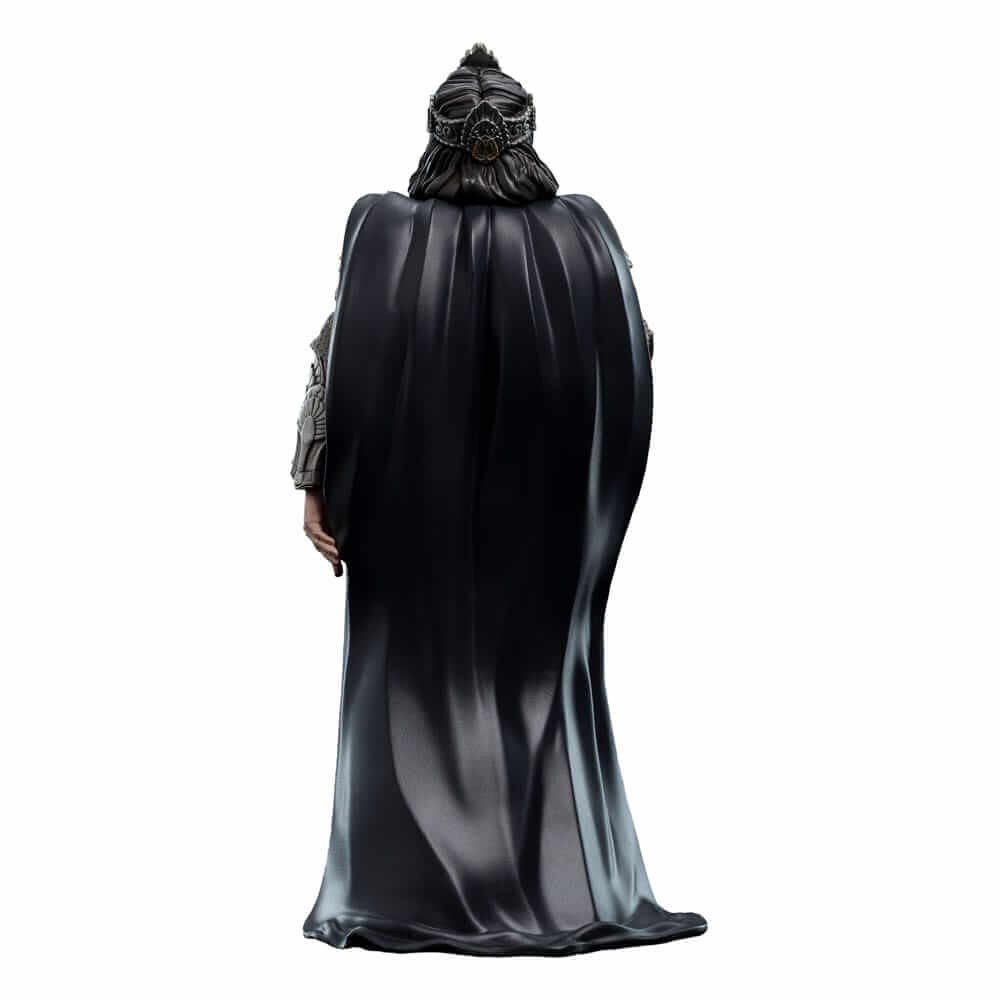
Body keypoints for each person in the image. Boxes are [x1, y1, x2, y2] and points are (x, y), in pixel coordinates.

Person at [289, 43, 704, 957]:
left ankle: (452, 880)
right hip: (473, 507)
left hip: (503, 507)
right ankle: (511, 877)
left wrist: (314, 476)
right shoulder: (577, 236)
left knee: (506, 682)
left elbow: (334, 357)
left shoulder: (388, 233)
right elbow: (636, 353)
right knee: (486, 684)